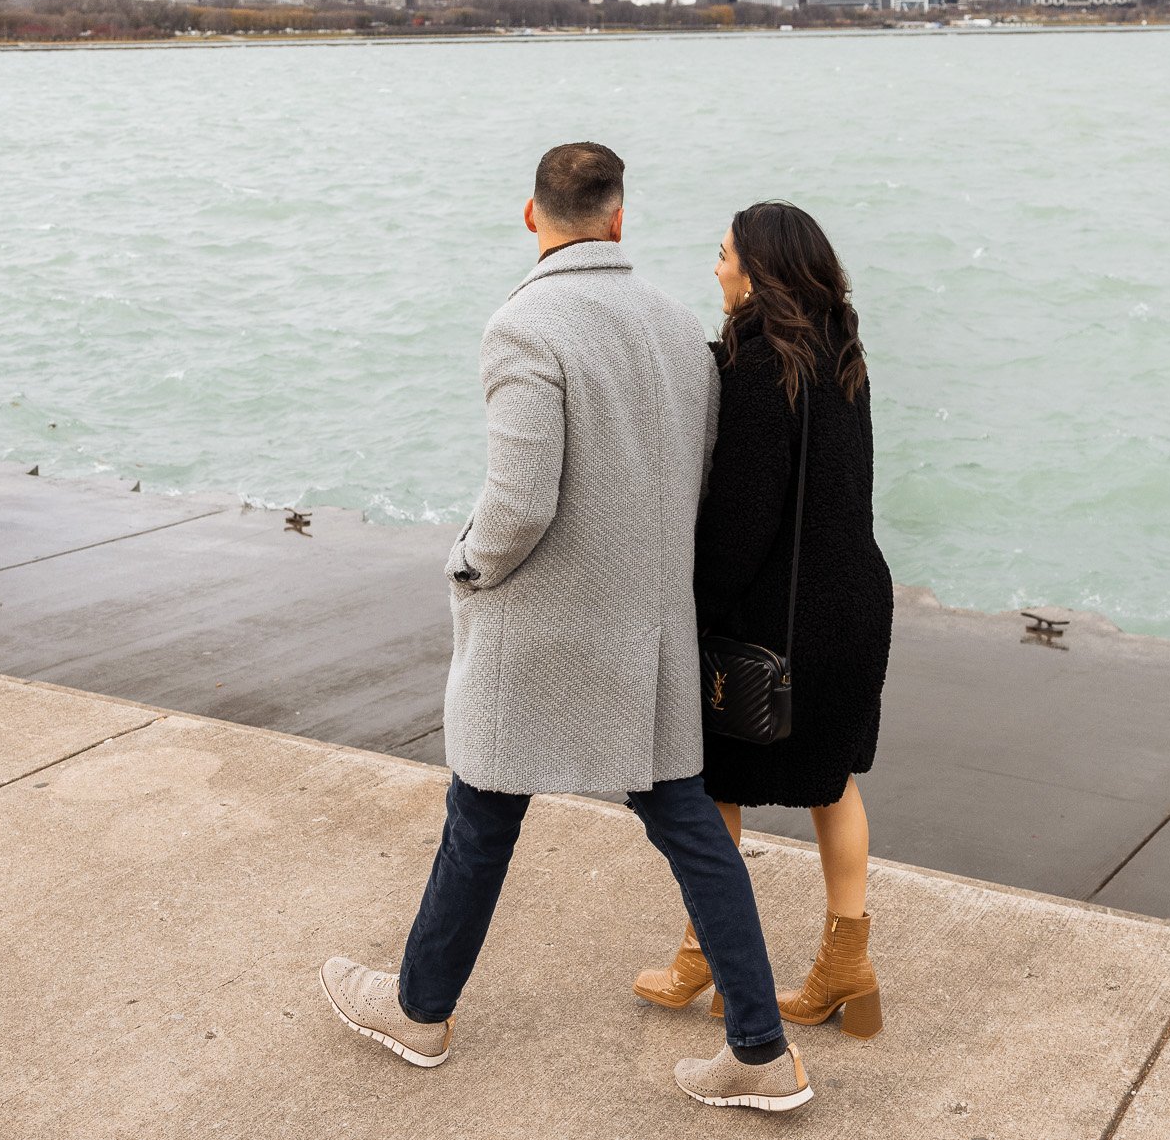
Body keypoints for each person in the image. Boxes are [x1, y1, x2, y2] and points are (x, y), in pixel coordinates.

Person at [321, 143, 814, 1113]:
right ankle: (759, 1047)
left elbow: (518, 502)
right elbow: (699, 485)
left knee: (482, 812)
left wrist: (467, 558)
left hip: (542, 634)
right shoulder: (681, 330)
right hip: (649, 636)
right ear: (619, 219)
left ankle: (420, 1009)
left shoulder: (523, 326)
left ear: (532, 216)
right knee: (685, 823)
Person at [633, 201, 894, 1040]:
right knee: (832, 785)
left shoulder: (756, 365)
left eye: (722, 256)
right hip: (855, 603)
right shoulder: (843, 353)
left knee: (714, 784)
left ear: (757, 272)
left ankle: (703, 954)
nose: (715, 269)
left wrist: (690, 600)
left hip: (779, 627)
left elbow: (743, 517)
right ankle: (846, 967)